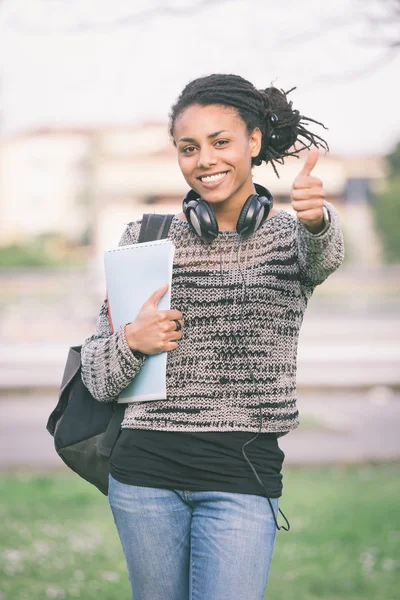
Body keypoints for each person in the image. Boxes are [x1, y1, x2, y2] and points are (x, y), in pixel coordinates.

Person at [80, 73, 345, 600]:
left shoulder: (291, 238)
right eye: (188, 148)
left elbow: (326, 255)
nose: (204, 160)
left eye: (220, 142)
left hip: (241, 473)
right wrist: (132, 340)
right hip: (143, 475)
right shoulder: (146, 238)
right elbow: (97, 374)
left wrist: (319, 221)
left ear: (252, 142)